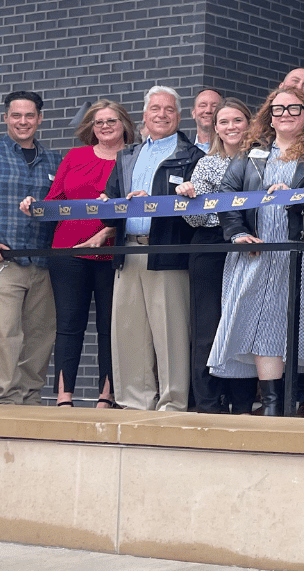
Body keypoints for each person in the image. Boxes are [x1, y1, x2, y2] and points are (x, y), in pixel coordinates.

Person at [214, 87, 304, 418]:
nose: (286, 114)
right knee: (267, 324)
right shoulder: (252, 154)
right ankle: (274, 403)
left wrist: (298, 194)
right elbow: (227, 192)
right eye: (278, 109)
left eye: (294, 108)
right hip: (261, 253)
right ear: (268, 117)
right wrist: (238, 233)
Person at [22, 99, 134, 408]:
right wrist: (35, 205)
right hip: (68, 252)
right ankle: (64, 397)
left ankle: (105, 397)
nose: (105, 127)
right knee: (69, 326)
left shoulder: (133, 159)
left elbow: (137, 207)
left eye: (111, 121)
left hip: (113, 252)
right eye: (99, 122)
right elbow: (54, 199)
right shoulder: (75, 156)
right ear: (91, 128)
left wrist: (106, 233)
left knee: (109, 328)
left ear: (124, 124)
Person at [102, 86, 203, 411]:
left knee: (170, 335)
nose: (162, 114)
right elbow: (110, 199)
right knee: (128, 333)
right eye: (155, 109)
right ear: (144, 115)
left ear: (178, 115)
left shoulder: (193, 157)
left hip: (168, 253)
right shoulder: (127, 155)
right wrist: (115, 204)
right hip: (128, 252)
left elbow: (198, 209)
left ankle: (172, 404)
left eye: (169, 109)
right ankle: (134, 403)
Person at [0, 90, 60, 405]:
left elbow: (62, 207)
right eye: (16, 115)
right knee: (2, 333)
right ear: (6, 117)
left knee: (40, 337)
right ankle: (4, 401)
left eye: (29, 115)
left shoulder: (53, 159)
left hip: (43, 262)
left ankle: (30, 399)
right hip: (3, 261)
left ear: (39, 118)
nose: (23, 122)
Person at [176, 97, 254, 414]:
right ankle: (208, 403)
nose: (230, 127)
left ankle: (244, 403)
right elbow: (195, 219)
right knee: (207, 327)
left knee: (242, 325)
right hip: (209, 246)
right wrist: (189, 200)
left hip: (249, 244)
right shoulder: (206, 164)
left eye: (237, 120)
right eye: (224, 122)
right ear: (215, 127)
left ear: (249, 124)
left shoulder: (261, 161)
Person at [191, 88, 223, 153]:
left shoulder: (232, 149)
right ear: (193, 113)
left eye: (214, 106)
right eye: (203, 105)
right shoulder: (182, 149)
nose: (208, 110)